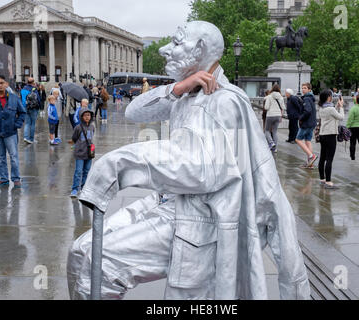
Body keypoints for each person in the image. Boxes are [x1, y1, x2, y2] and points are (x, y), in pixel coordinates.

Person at [67, 21, 310, 300]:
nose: (165, 50)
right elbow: (134, 112)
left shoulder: (226, 101)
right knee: (80, 251)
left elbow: (202, 168)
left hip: (195, 219)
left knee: (97, 268)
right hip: (167, 203)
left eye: (177, 42)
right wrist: (178, 88)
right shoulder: (187, 93)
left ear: (199, 49)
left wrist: (119, 163)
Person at [0, 75, 26, 188]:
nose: (0, 85)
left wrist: (17, 124)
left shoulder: (14, 98)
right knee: (0, 157)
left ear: (6, 84)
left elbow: (22, 112)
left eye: (2, 83)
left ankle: (16, 178)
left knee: (13, 157)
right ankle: (3, 178)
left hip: (11, 132)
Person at [317, 89, 345, 189]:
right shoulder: (330, 109)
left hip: (323, 134)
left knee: (322, 157)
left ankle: (322, 178)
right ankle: (328, 181)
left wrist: (337, 106)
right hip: (330, 135)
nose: (332, 97)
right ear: (328, 97)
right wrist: (341, 107)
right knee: (329, 159)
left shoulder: (321, 107)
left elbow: (332, 114)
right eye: (331, 96)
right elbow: (341, 117)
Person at [70, 108, 95, 198]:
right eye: (85, 115)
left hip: (89, 153)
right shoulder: (78, 127)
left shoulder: (92, 127)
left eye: (89, 115)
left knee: (86, 171)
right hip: (80, 153)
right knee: (78, 171)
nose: (87, 117)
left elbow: (92, 137)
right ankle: (75, 189)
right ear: (81, 117)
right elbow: (74, 138)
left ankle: (84, 187)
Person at [296, 83, 318, 168]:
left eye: (305, 88)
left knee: (298, 139)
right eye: (302, 88)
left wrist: (300, 118)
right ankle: (310, 163)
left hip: (306, 123)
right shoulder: (311, 98)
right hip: (312, 123)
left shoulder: (306, 99)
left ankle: (311, 156)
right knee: (308, 141)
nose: (303, 89)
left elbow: (308, 111)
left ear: (309, 90)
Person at [263, 84, 285, 152]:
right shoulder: (281, 97)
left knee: (267, 130)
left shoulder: (269, 97)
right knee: (275, 131)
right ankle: (275, 148)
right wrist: (281, 116)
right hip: (278, 115)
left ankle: (271, 142)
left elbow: (266, 107)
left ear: (272, 89)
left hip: (270, 115)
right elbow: (283, 107)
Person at [21, 77, 41, 144]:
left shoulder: (23, 89)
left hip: (25, 108)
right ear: (33, 82)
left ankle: (26, 137)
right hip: (33, 108)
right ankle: (31, 139)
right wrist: (40, 106)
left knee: (27, 123)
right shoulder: (34, 89)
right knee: (33, 124)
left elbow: (21, 99)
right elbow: (38, 98)